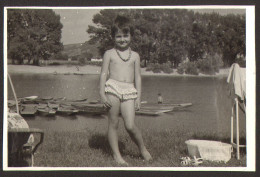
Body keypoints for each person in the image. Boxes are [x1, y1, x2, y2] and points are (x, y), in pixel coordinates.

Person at [99, 15, 152, 165]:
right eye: (118, 36)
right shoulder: (109, 54)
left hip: (129, 90)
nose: (122, 39)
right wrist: (102, 94)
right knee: (113, 123)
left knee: (130, 125)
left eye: (125, 35)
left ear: (131, 36)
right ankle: (117, 156)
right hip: (112, 88)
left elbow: (138, 78)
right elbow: (103, 74)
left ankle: (142, 149)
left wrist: (138, 97)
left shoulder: (135, 56)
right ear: (113, 37)